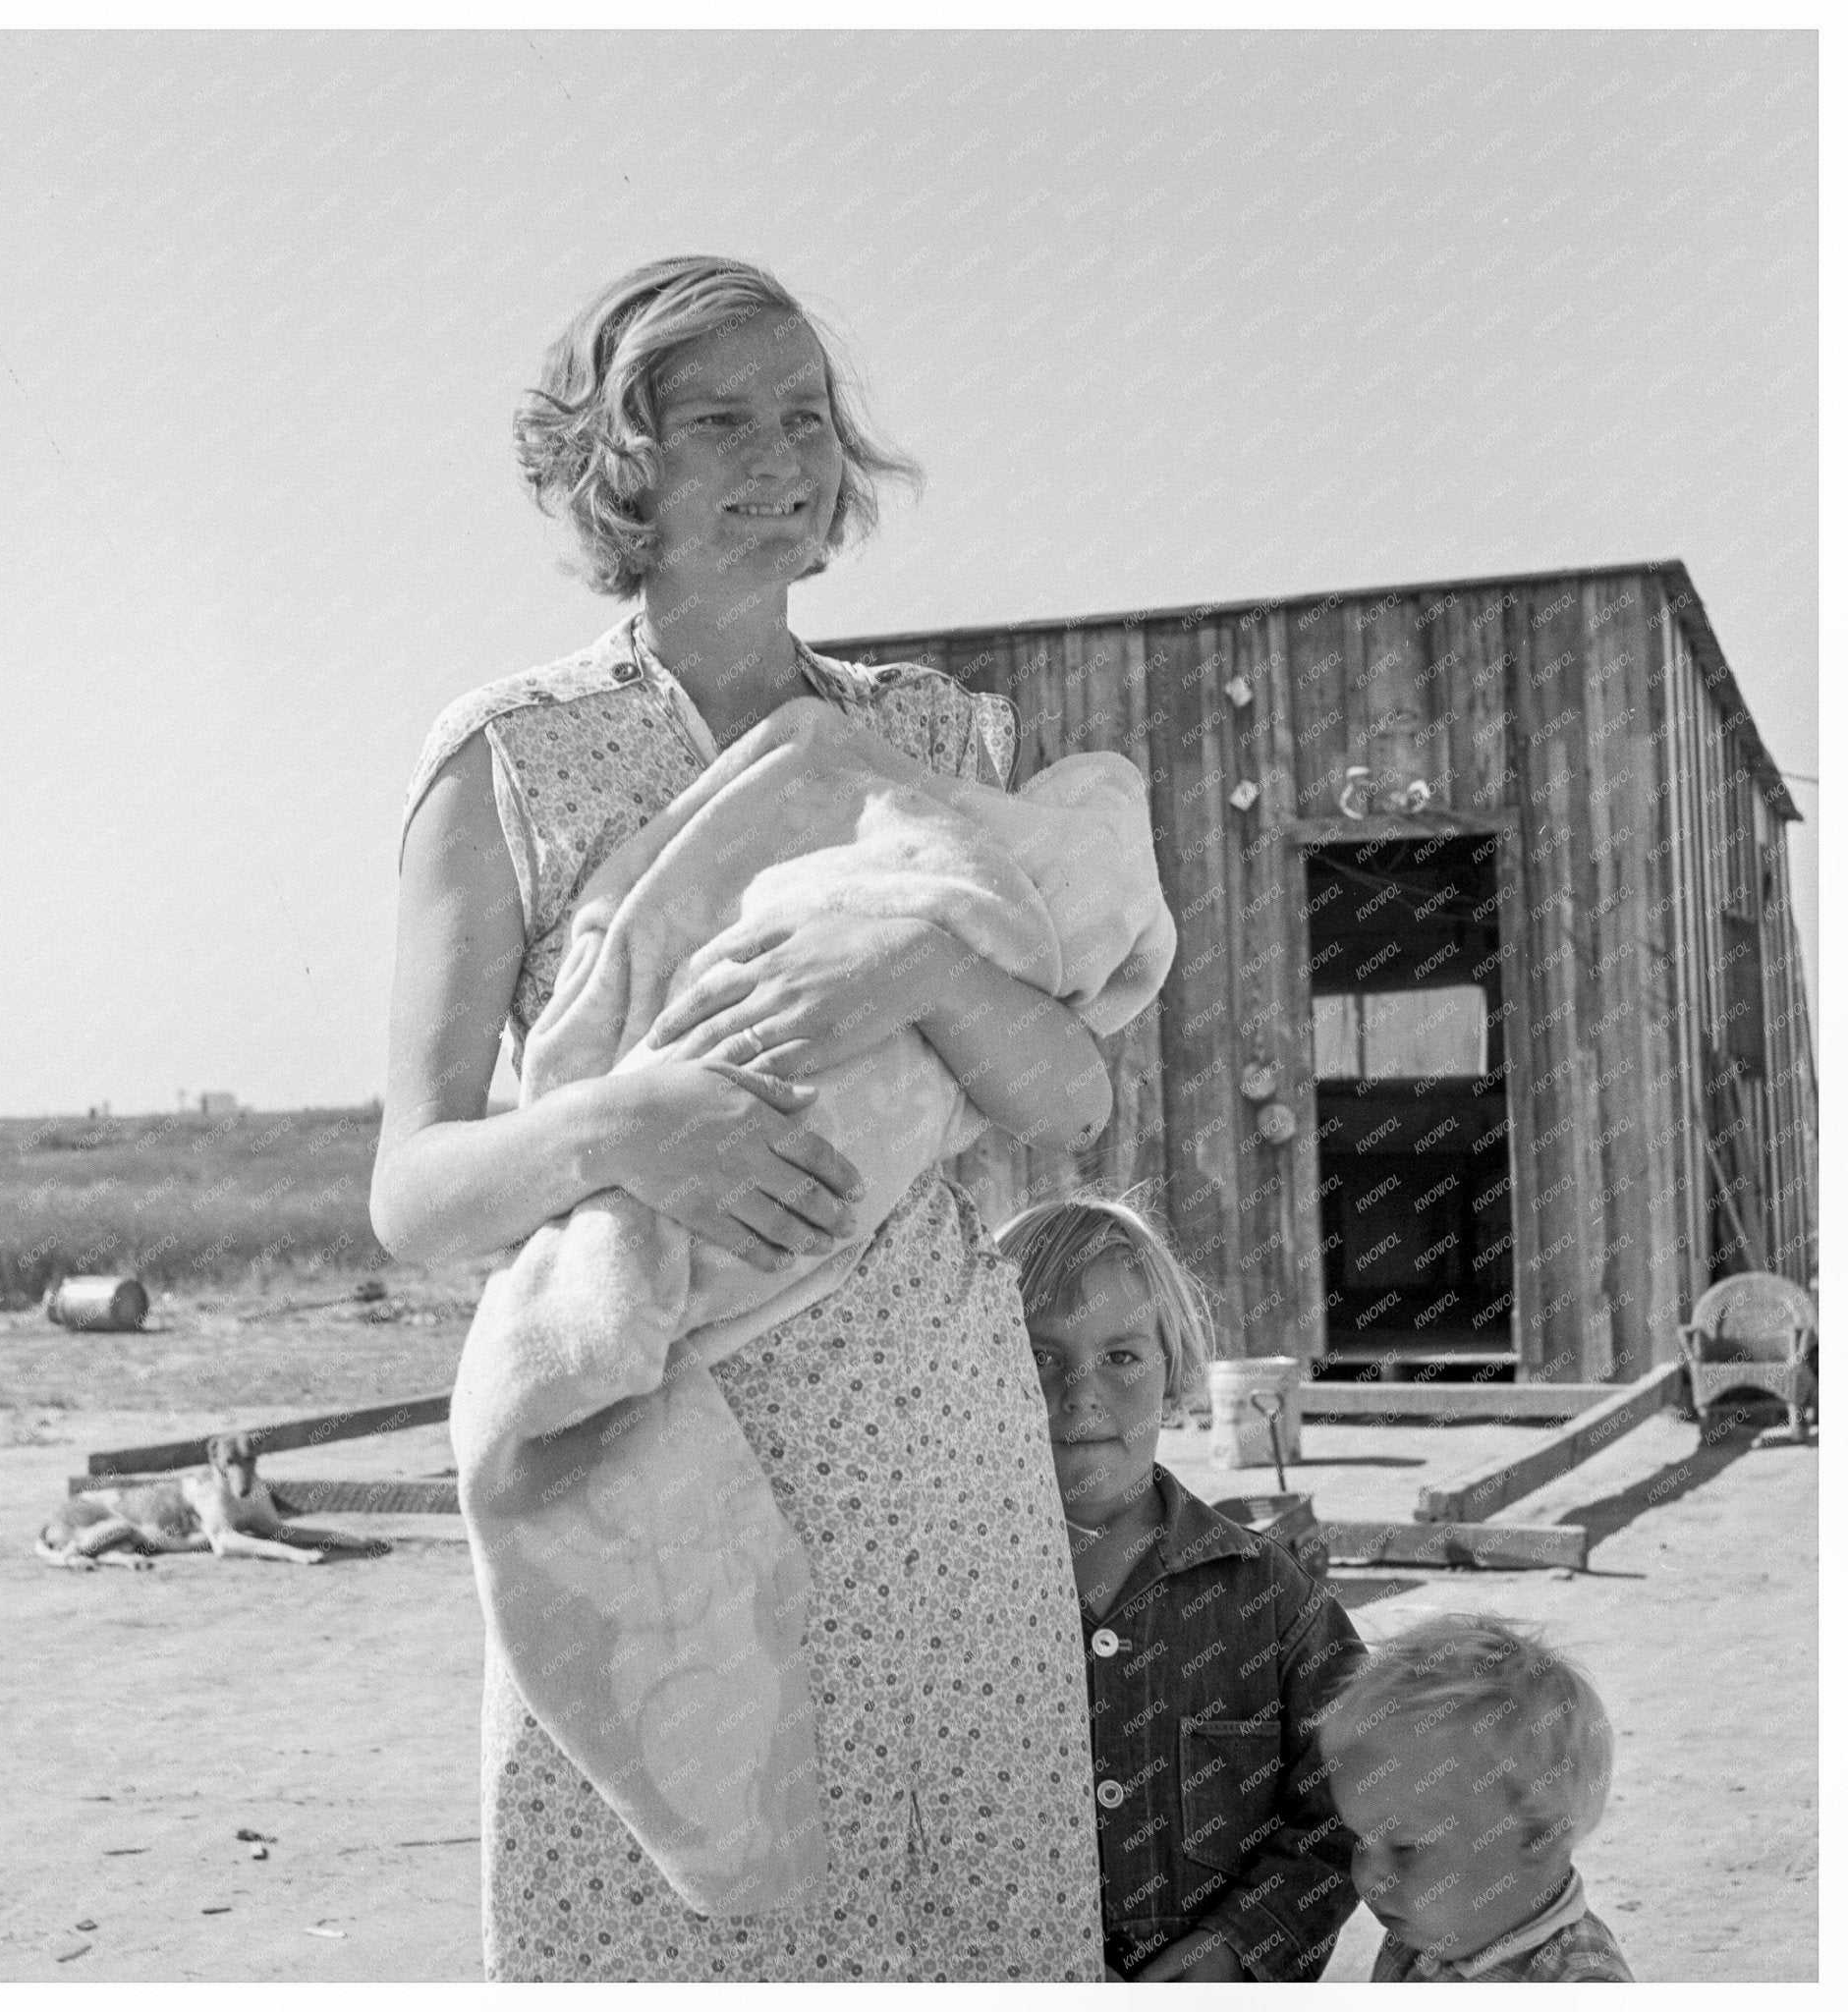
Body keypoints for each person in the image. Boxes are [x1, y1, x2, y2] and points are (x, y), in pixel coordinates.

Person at [371, 255, 1119, 1982]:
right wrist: (633, 1122)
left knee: (952, 1921)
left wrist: (919, 961)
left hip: (930, 1454)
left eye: (805, 415)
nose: (777, 456)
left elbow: (1066, 1104)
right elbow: (416, 1193)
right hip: (635, 1447)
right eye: (716, 418)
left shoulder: (928, 731)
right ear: (615, 460)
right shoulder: (510, 759)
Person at [996, 1194, 1363, 1982]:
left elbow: (1352, 1804)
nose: (1078, 1392)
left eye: (1122, 1355)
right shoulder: (945, 1602)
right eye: (1039, 1355)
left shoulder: (1272, 1602)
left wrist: (1240, 1942)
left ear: (1175, 1373)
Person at [1319, 1612, 1634, 1982]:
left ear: (1537, 1833)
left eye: (1407, 1848)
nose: (1370, 1877)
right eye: (1360, 1840)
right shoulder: (1424, 1940)